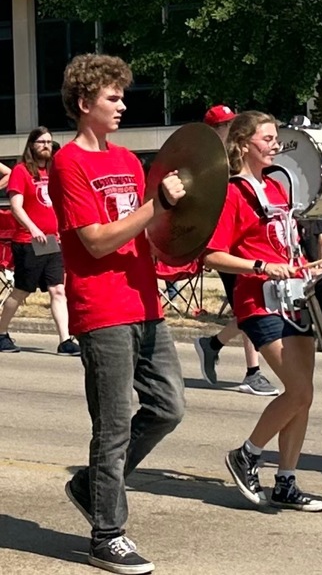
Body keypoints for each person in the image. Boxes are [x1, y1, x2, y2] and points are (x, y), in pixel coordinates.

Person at [51, 53, 186, 574]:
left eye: (122, 96)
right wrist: (157, 207)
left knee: (169, 407)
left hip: (145, 302)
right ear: (85, 104)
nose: (123, 105)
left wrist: (176, 239)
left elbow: (145, 232)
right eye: (113, 97)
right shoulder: (69, 164)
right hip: (101, 306)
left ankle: (90, 486)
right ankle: (107, 533)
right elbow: (98, 241)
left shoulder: (129, 163)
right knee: (112, 427)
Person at [204, 110, 322, 512]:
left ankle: (286, 481)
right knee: (299, 390)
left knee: (303, 397)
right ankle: (248, 453)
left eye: (276, 139)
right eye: (268, 139)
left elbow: (284, 244)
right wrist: (259, 267)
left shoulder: (276, 189)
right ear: (244, 144)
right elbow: (212, 255)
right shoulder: (232, 193)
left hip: (293, 297)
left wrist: (307, 265)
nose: (276, 145)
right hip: (259, 302)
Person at [194, 104, 278, 396]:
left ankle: (213, 344)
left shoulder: (238, 158)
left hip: (247, 240)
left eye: (233, 123)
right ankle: (253, 370)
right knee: (249, 309)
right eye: (224, 124)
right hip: (225, 243)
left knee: (248, 311)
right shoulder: (207, 160)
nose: (230, 128)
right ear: (213, 130)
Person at [0, 127, 80, 355]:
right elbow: (16, 207)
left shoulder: (54, 173)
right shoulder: (21, 171)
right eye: (41, 142)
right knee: (22, 291)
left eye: (49, 142)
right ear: (31, 145)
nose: (46, 145)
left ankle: (65, 340)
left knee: (58, 290)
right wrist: (33, 228)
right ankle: (1, 333)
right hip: (28, 241)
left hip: (52, 242)